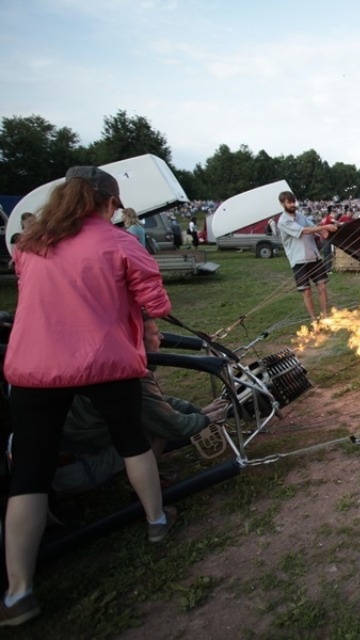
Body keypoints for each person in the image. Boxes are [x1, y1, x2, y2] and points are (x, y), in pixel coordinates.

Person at [1, 166, 175, 627]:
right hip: (103, 360)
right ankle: (157, 520)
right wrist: (144, 315)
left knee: (31, 473)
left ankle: (19, 591)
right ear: (107, 202)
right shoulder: (118, 242)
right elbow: (156, 303)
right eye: (115, 204)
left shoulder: (30, 246)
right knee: (132, 440)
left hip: (34, 368)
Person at [53, 316, 230, 493]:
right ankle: (145, 490)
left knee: (147, 422)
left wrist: (196, 411)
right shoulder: (131, 374)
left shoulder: (109, 359)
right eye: (155, 334)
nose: (161, 338)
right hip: (75, 463)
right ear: (138, 342)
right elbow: (170, 424)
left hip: (72, 439)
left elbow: (154, 403)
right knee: (153, 432)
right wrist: (206, 419)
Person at [276, 191, 338, 320]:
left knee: (322, 287)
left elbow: (313, 227)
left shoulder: (300, 216)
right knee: (307, 291)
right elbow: (303, 231)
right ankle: (314, 319)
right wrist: (325, 226)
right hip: (298, 260)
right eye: (289, 202)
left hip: (313, 256)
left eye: (293, 201)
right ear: (282, 204)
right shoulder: (283, 221)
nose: (293, 204)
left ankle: (325, 316)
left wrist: (325, 232)